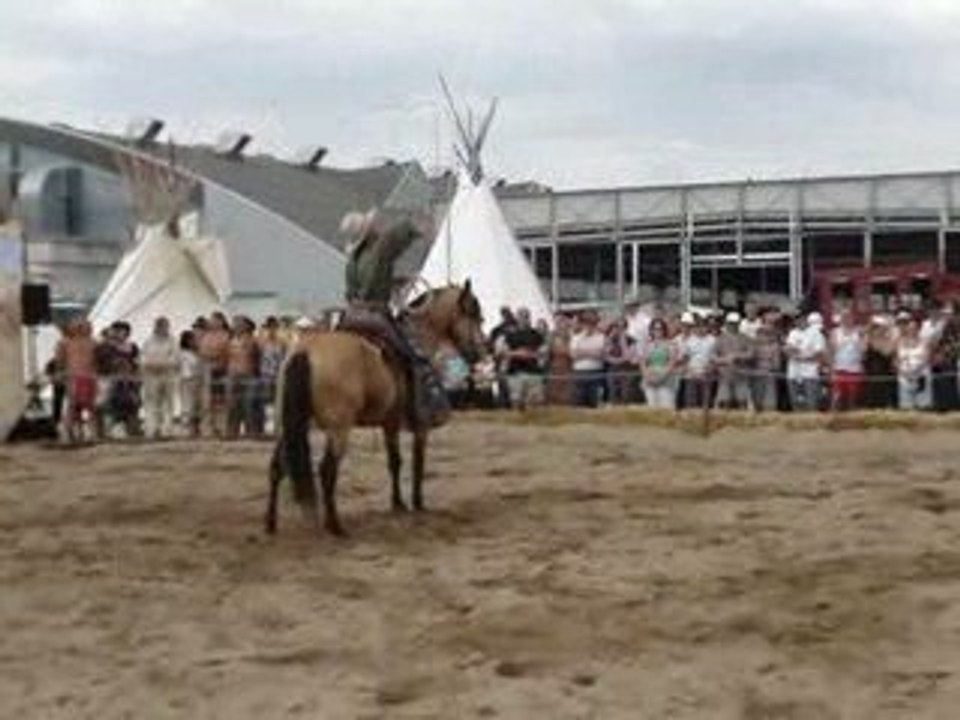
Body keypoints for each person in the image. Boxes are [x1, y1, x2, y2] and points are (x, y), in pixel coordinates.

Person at [340, 208, 450, 429]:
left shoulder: (354, 260)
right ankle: (418, 409)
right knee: (412, 355)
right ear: (369, 233)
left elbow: (360, 288)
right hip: (375, 315)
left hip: (351, 315)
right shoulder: (380, 248)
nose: (378, 227)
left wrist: (392, 282)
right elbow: (397, 235)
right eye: (373, 227)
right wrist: (417, 229)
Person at [140, 317, 180, 439]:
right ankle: (152, 429)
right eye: (159, 326)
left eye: (164, 326)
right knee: (152, 404)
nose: (162, 328)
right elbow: (143, 358)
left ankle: (167, 431)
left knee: (168, 404)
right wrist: (150, 365)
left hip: (167, 375)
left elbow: (175, 358)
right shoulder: (148, 342)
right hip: (151, 376)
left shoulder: (173, 342)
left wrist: (163, 365)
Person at [502, 307, 545, 410]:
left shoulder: (536, 334)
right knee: (516, 402)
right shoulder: (510, 335)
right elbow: (503, 351)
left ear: (529, 318)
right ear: (517, 318)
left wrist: (529, 354)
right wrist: (518, 353)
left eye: (526, 316)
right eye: (521, 316)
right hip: (515, 373)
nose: (523, 318)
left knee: (534, 404)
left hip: (533, 373)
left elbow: (543, 352)